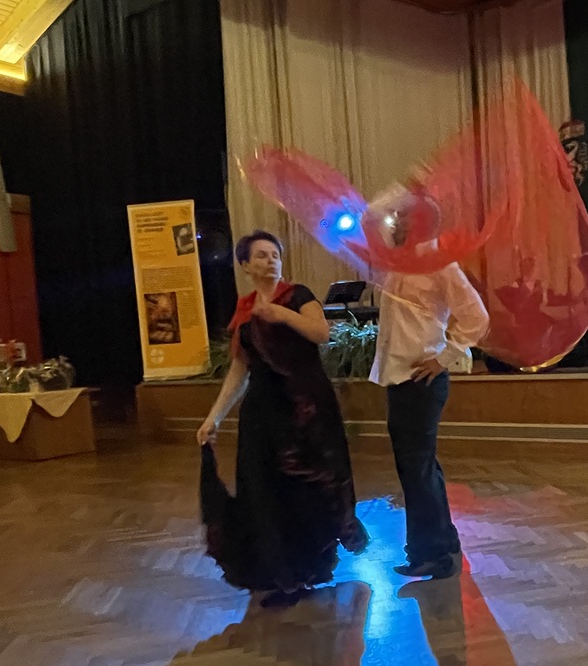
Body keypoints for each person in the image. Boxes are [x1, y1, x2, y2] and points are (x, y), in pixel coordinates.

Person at [197, 230, 368, 608]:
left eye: (274, 254)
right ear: (245, 265)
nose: (270, 260)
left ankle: (305, 571)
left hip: (304, 408)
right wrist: (214, 417)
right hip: (262, 411)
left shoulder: (297, 296)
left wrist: (281, 314)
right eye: (261, 255)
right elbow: (240, 369)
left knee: (303, 490)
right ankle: (277, 572)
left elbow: (321, 333)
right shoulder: (245, 309)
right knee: (262, 490)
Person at [369, 192, 490, 580]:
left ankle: (433, 555)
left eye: (404, 215)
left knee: (417, 469)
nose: (396, 220)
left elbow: (477, 317)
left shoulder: (440, 263)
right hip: (401, 377)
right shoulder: (396, 261)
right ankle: (442, 544)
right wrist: (399, 195)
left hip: (422, 378)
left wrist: (444, 356)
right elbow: (370, 218)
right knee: (418, 468)